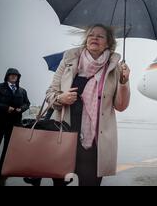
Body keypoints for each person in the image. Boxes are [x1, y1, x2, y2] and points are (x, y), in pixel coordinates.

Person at [45, 24, 130, 186]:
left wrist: (124, 83)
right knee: (59, 182)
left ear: (108, 43)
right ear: (86, 39)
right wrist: (60, 98)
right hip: (64, 135)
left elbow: (121, 105)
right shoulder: (69, 61)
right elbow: (50, 93)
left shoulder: (114, 68)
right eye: (91, 35)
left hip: (95, 142)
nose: (95, 38)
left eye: (100, 36)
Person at [0, 68, 30, 185]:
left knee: (7, 150)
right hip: (0, 122)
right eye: (11, 75)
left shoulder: (22, 91)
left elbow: (27, 103)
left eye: (16, 76)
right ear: (7, 76)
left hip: (14, 124)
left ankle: (2, 173)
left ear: (18, 77)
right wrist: (6, 108)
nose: (13, 77)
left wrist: (21, 109)